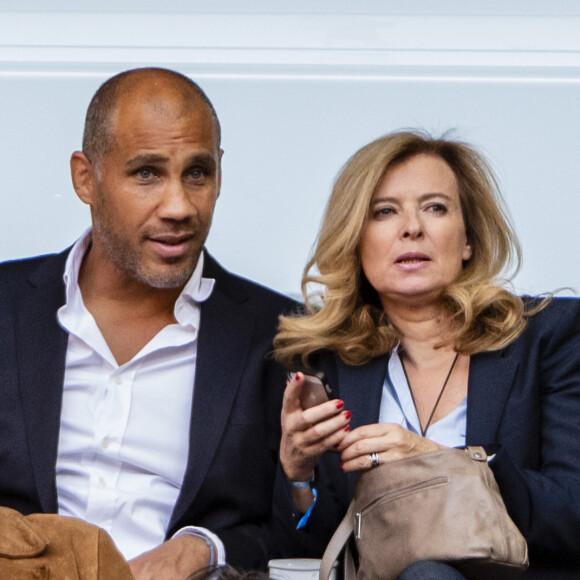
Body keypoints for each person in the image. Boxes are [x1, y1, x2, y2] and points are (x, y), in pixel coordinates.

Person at [0, 67, 296, 578]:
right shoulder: (5, 307)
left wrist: (205, 547)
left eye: (197, 173)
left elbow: (310, 526)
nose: (179, 206)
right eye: (146, 173)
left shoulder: (282, 335)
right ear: (85, 178)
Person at [273, 130, 580, 578]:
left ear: (468, 239)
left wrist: (441, 461)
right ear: (356, 241)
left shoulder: (548, 338)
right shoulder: (326, 362)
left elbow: (572, 514)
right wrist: (299, 476)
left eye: (435, 207)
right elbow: (308, 552)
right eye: (384, 212)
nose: (412, 227)